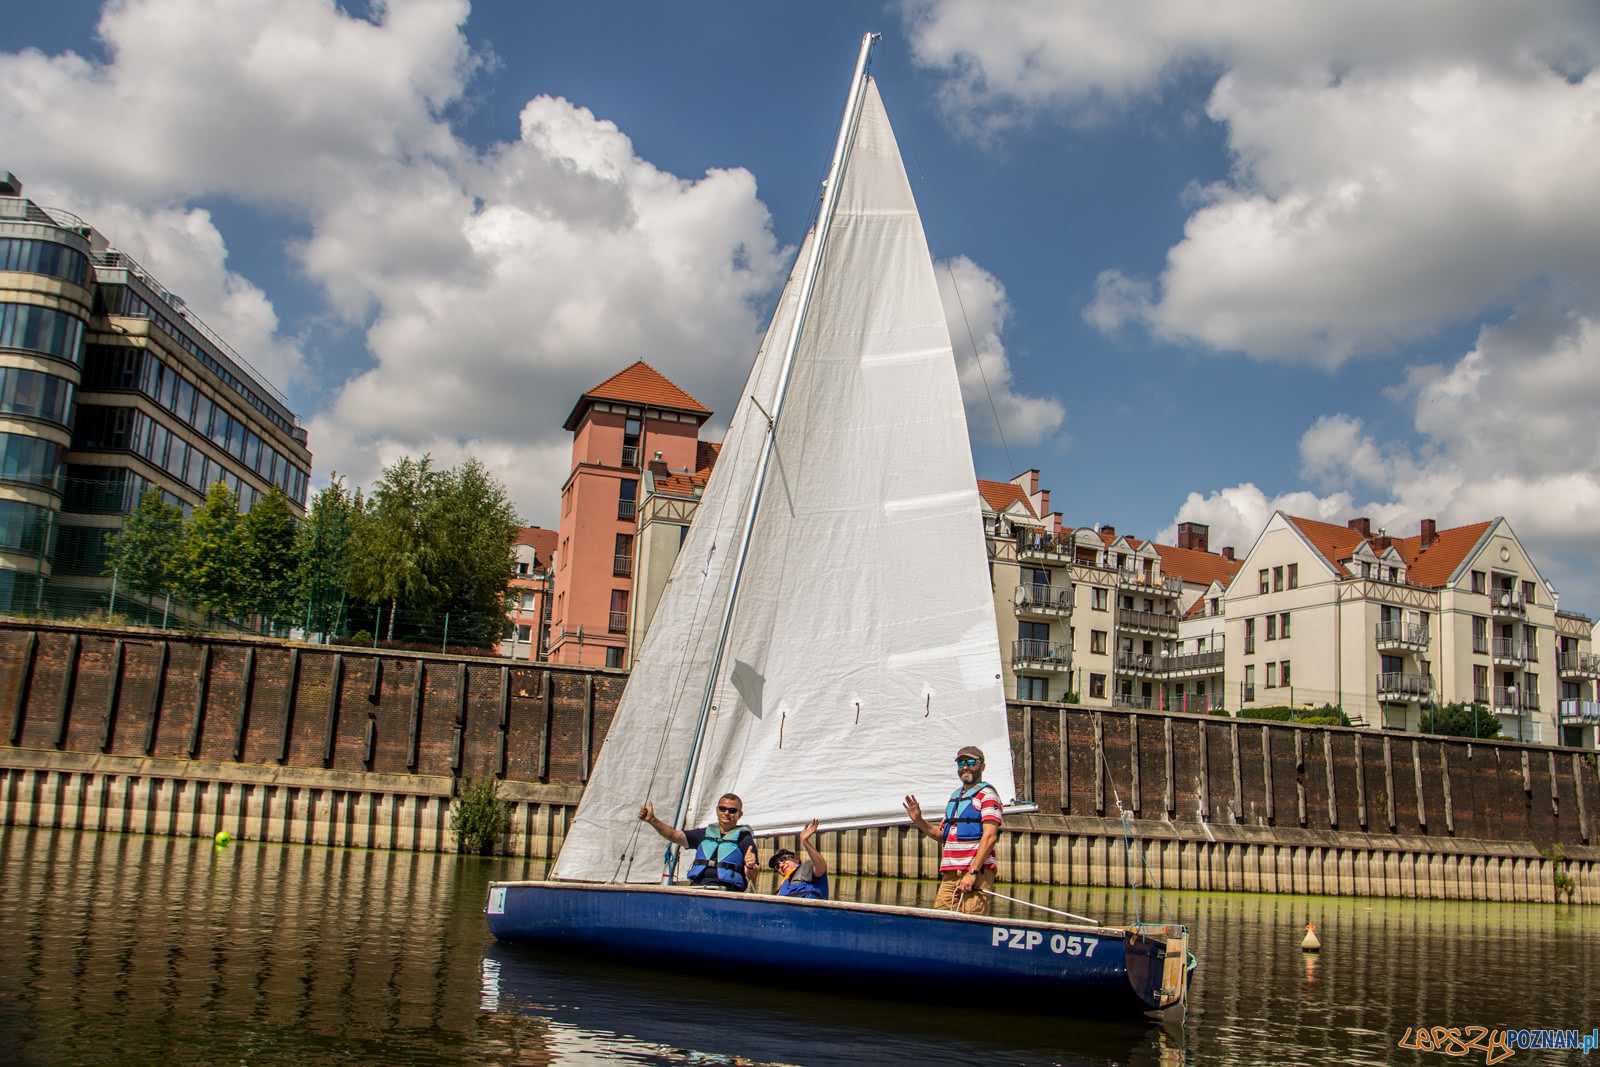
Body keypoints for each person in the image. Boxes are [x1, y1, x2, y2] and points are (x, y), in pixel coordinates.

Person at [902, 745, 1003, 914]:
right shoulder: (955, 797)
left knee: (971, 922)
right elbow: (943, 835)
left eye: (971, 762)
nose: (965, 767)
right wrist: (919, 820)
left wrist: (972, 872)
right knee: (940, 918)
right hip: (950, 872)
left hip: (976, 872)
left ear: (982, 766)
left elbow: (990, 837)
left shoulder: (988, 795)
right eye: (961, 763)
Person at [638, 792, 759, 891]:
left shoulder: (745, 840)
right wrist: (652, 820)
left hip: (729, 892)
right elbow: (674, 835)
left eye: (732, 810)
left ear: (740, 814)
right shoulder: (703, 834)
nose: (726, 813)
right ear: (717, 810)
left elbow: (753, 876)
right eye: (723, 809)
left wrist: (751, 866)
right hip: (699, 888)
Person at [767, 818, 829, 900]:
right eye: (776, 866)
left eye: (783, 859)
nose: (780, 865)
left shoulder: (806, 868)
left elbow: (821, 868)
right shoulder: (784, 886)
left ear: (796, 858)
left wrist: (805, 842)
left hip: (810, 911)